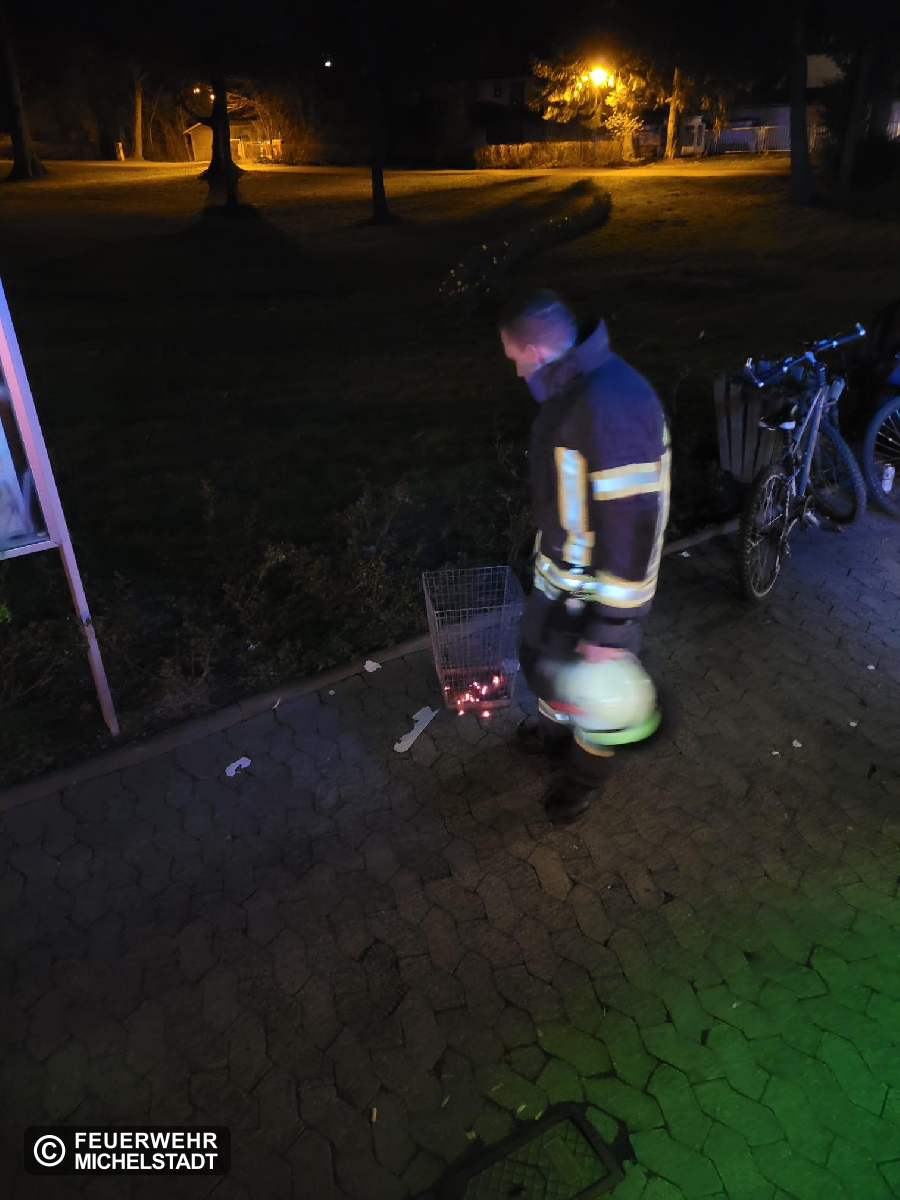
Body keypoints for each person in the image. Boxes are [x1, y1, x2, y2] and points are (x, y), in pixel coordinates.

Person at [500, 289, 671, 824]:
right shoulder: (578, 390)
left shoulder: (608, 405)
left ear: (534, 351)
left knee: (601, 698)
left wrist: (610, 632)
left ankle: (582, 783)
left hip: (596, 595)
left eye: (514, 358)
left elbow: (632, 524)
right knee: (549, 666)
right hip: (564, 580)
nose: (515, 370)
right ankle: (554, 738)